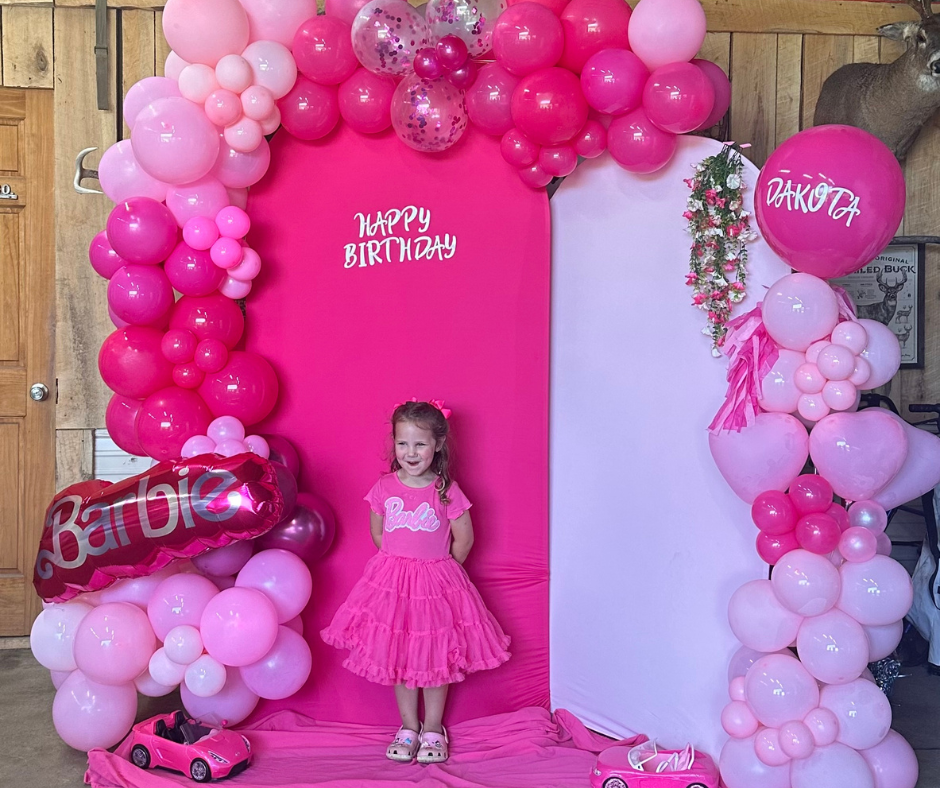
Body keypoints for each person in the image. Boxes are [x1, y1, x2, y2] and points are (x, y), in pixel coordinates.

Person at [321, 400, 510, 764]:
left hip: (436, 583)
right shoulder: (384, 487)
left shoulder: (447, 489)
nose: (411, 452)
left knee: (436, 658)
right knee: (400, 656)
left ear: (438, 444)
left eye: (420, 444)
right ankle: (408, 726)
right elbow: (378, 534)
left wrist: (442, 571)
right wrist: (399, 566)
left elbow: (465, 538)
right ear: (393, 443)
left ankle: (434, 729)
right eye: (403, 443)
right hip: (391, 584)